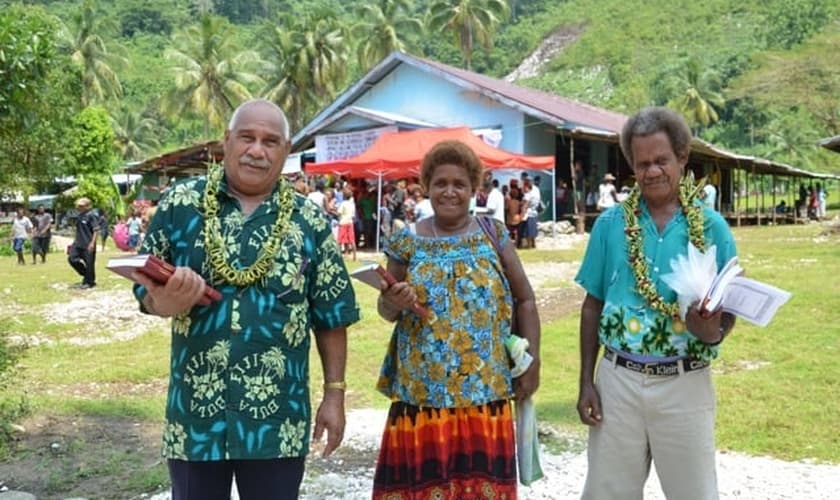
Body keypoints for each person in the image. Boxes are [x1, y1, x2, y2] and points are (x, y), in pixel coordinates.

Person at [131, 99, 359, 500]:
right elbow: (144, 288)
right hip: (195, 418)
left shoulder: (310, 222)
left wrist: (334, 395)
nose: (257, 150)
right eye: (247, 138)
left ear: (286, 151)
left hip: (277, 420)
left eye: (271, 141)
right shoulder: (181, 205)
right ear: (227, 142)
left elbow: (331, 314)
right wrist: (163, 302)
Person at [575, 107, 737, 499]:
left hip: (685, 382)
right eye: (642, 163)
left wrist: (711, 331)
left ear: (682, 158)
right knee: (608, 492)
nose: (652, 171)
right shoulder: (611, 224)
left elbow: (728, 310)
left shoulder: (711, 226)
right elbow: (592, 304)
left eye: (661, 160)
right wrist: (586, 382)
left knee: (693, 492)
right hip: (618, 381)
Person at [373, 139, 540, 499]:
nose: (450, 192)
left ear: (474, 189)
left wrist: (532, 363)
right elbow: (385, 312)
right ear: (427, 187)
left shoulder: (492, 234)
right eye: (440, 184)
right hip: (422, 397)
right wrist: (394, 301)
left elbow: (525, 299)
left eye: (459, 184)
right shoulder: (407, 242)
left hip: (485, 393)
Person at [68, 197, 99, 288]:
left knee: (89, 264)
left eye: (81, 206)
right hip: (78, 243)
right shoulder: (79, 216)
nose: (78, 207)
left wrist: (92, 243)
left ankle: (89, 282)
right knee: (72, 259)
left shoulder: (92, 216)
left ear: (87, 206)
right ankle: (85, 274)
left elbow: (96, 230)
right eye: (78, 206)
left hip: (88, 244)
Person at [336, 184, 356, 261]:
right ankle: (354, 256)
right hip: (350, 222)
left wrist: (333, 211)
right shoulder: (352, 204)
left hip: (343, 222)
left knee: (340, 240)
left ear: (343, 196)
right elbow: (353, 215)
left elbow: (339, 213)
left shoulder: (343, 203)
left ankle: (338, 256)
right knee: (351, 240)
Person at [520, 177, 541, 249]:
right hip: (534, 212)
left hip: (528, 213)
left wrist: (521, 215)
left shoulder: (529, 194)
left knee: (528, 231)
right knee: (533, 231)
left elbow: (525, 205)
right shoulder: (536, 189)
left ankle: (529, 246)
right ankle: (534, 245)